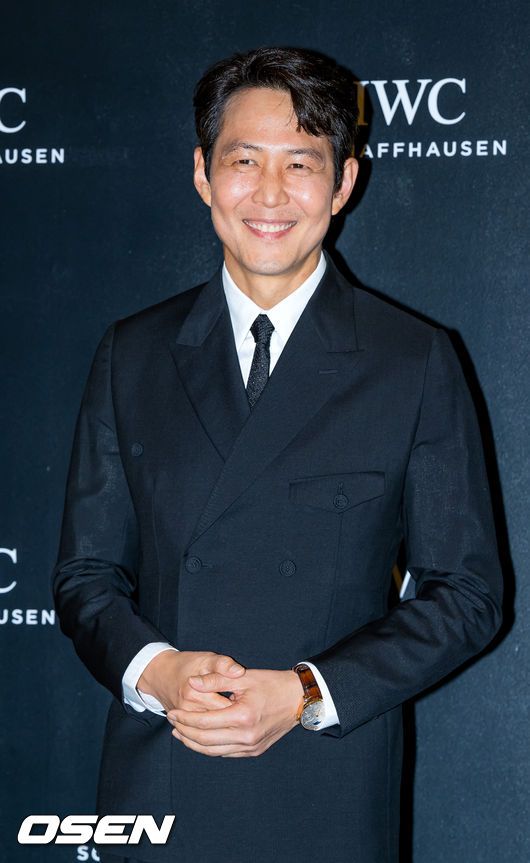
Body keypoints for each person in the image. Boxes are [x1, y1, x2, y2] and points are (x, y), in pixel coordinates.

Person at [53, 46, 503, 863]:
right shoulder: (133, 353)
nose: (269, 193)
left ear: (344, 182)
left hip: (323, 791)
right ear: (202, 173)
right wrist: (157, 672)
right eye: (243, 160)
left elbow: (466, 593)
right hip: (163, 781)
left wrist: (303, 692)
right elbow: (86, 575)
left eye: (300, 163)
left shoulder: (411, 359)